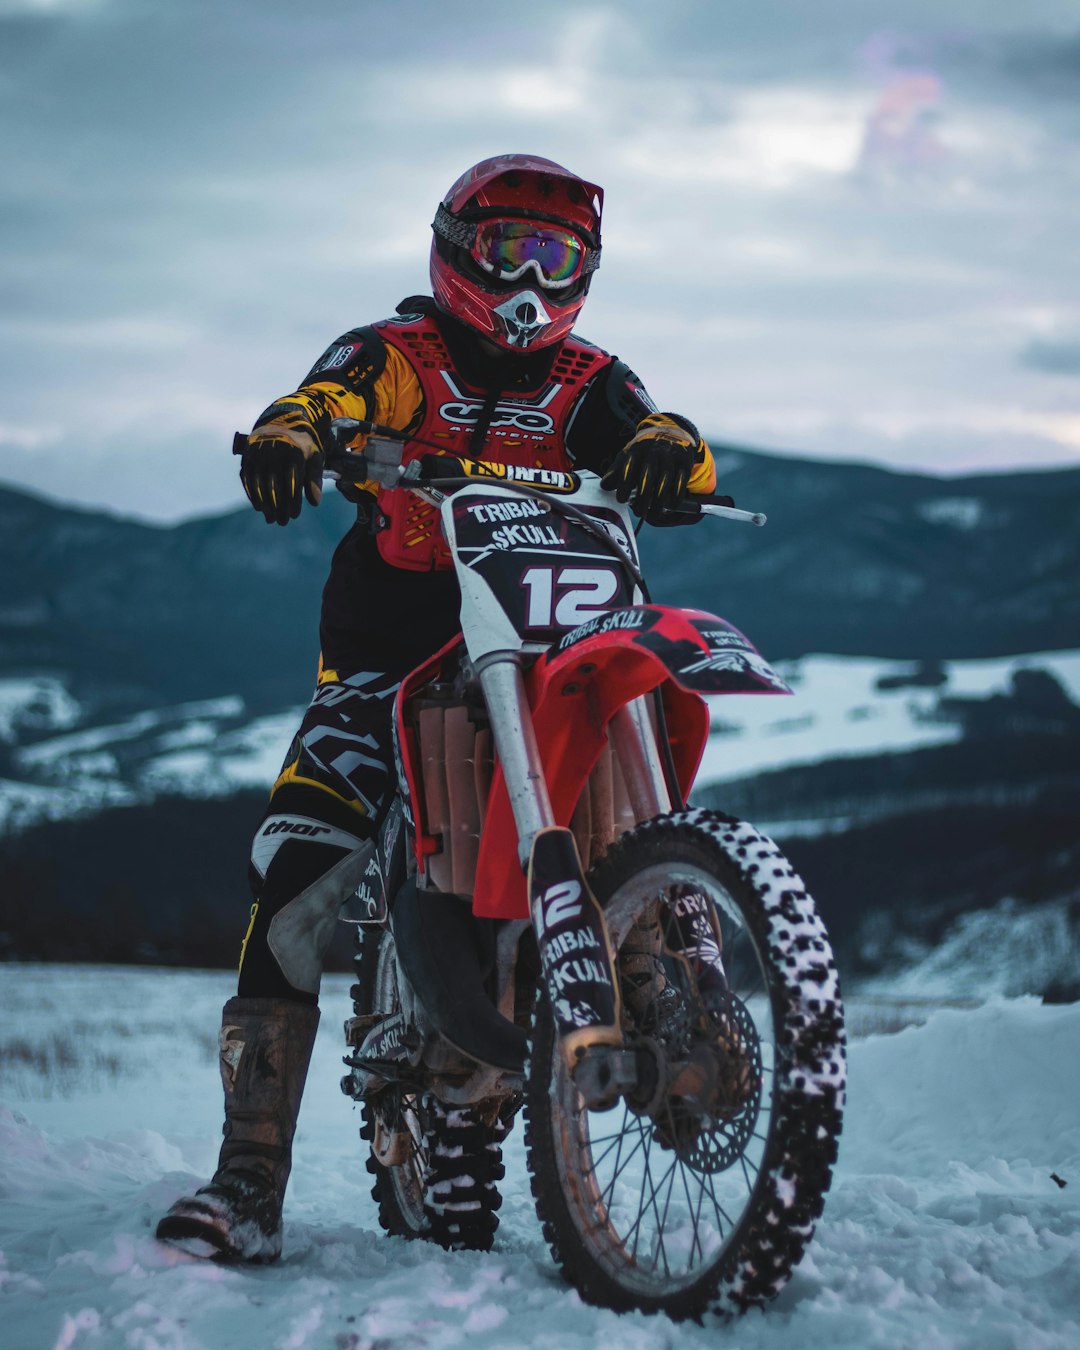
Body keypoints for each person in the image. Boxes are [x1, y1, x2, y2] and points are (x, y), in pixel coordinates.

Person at [155, 153, 718, 1262]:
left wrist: (669, 453)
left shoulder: (590, 381)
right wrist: (295, 434)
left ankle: (682, 992)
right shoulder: (396, 356)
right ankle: (247, 1181)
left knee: (634, 793)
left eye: (554, 256)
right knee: (299, 862)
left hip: (546, 657)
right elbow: (327, 396)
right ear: (458, 250)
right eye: (510, 248)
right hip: (388, 659)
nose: (529, 276)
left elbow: (660, 430)